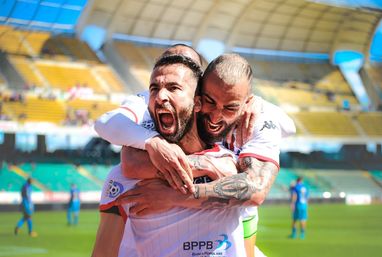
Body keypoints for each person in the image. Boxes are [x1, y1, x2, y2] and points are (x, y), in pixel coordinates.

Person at [96, 52, 295, 257]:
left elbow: (255, 189)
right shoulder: (142, 119)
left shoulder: (255, 125)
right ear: (199, 99)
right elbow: (115, 138)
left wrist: (172, 195)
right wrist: (152, 143)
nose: (216, 115)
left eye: (230, 107)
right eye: (211, 101)